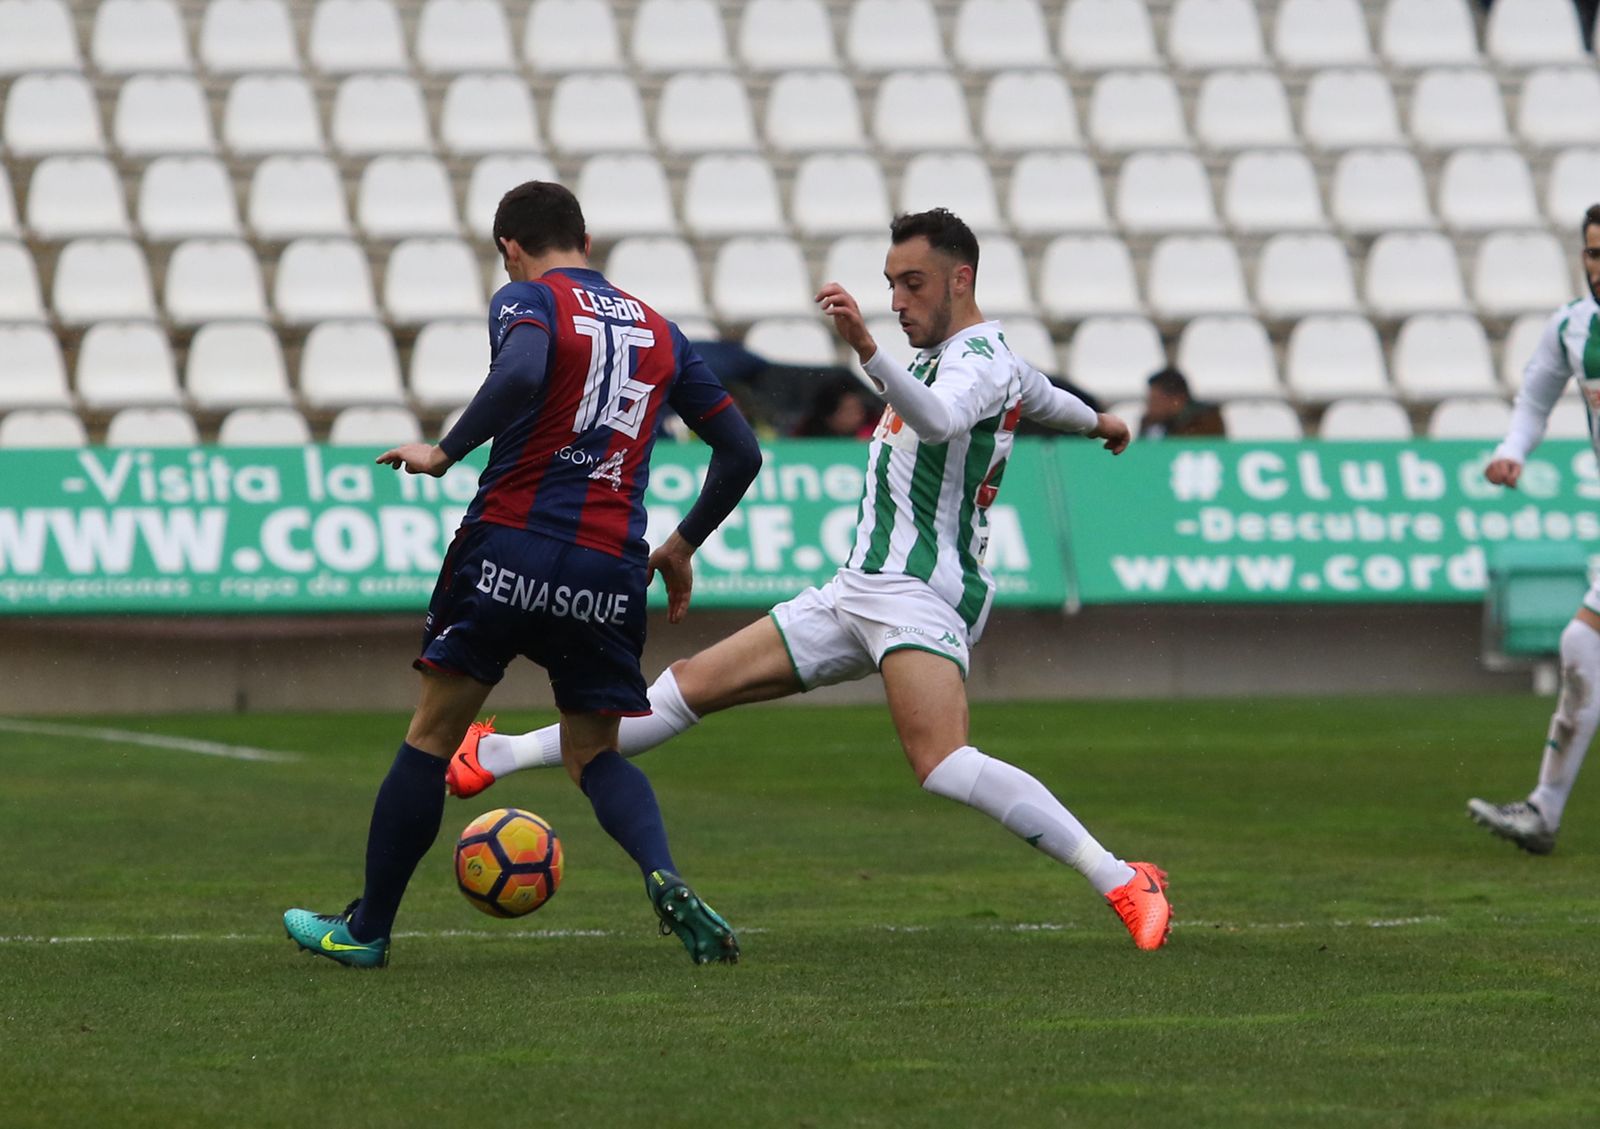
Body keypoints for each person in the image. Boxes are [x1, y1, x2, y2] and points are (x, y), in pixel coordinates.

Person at [448, 208, 1173, 951]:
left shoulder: (973, 363)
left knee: (943, 761)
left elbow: (941, 421)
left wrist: (866, 348)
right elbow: (1041, 395)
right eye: (891, 284)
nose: (897, 300)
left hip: (920, 595)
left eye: (913, 283)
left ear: (962, 279)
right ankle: (496, 754)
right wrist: (1102, 424)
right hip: (857, 589)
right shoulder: (984, 360)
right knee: (687, 686)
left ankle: (1122, 876)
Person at [282, 181, 763, 967]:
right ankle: (662, 872)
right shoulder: (661, 331)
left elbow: (520, 374)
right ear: (587, 237)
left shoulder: (530, 300)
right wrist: (682, 543)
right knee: (594, 754)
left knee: (434, 737)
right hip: (610, 568)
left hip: (511, 546)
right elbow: (741, 451)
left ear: (510, 247)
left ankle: (366, 929)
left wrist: (443, 451)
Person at [1468, 203, 1600, 855]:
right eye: (1594, 253)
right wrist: (1513, 450)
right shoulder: (1574, 327)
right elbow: (1534, 403)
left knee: (1581, 643)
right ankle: (1543, 811)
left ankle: (1545, 810)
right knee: (1580, 647)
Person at [1138, 368, 1224, 440]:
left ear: (1177, 399)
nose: (1150, 406)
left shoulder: (1207, 421)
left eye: (1155, 400)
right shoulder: (1151, 423)